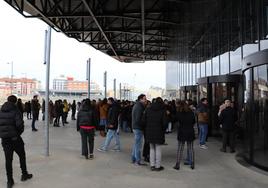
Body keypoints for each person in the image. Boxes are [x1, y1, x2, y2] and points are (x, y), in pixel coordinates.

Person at [0, 95, 33, 188]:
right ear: (15, 102)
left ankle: (9, 181)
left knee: (8, 160)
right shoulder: (16, 111)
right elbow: (20, 125)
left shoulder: (1, 111)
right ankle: (24, 174)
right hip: (15, 139)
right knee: (22, 156)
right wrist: (17, 134)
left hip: (5, 140)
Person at [143, 97, 167, 171]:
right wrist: (163, 130)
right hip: (159, 132)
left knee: (152, 148)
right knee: (158, 149)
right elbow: (165, 123)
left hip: (149, 131)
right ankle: (158, 166)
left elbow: (143, 121)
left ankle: (152, 165)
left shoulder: (148, 109)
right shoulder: (162, 111)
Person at [173, 102, 196, 170]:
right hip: (190, 131)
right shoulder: (191, 113)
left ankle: (177, 164)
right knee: (190, 148)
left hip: (182, 131)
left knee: (180, 148)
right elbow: (194, 121)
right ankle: (192, 164)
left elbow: (174, 120)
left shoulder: (179, 113)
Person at [131, 94, 147, 166]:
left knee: (136, 144)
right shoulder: (139, 107)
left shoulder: (137, 105)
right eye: (144, 98)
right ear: (140, 99)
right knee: (138, 145)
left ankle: (133, 158)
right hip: (138, 128)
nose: (145, 100)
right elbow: (138, 119)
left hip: (136, 127)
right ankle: (138, 161)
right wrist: (143, 125)